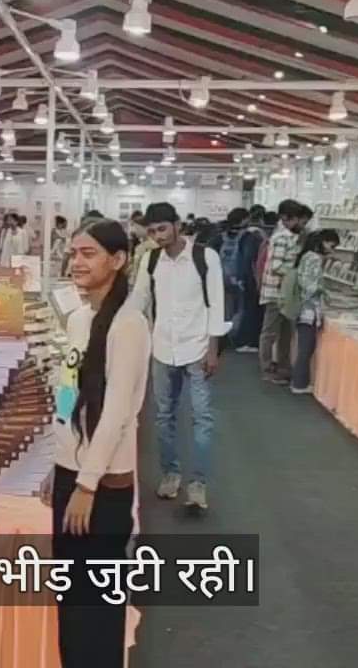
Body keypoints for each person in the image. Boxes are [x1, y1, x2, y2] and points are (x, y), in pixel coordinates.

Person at [42, 219, 148, 668]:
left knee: (97, 604)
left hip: (102, 485)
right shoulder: (79, 320)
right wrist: (59, 462)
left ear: (117, 260)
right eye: (73, 253)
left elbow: (117, 413)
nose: (77, 262)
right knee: (71, 598)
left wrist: (86, 484)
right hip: (72, 475)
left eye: (88, 253)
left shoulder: (129, 325)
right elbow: (68, 397)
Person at [126, 202, 227, 511]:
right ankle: (171, 474)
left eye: (162, 229)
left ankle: (198, 484)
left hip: (197, 348)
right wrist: (117, 325)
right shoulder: (150, 260)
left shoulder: (205, 257)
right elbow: (139, 299)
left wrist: (213, 349)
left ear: (177, 225)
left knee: (202, 418)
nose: (158, 236)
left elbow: (216, 304)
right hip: (162, 348)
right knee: (163, 416)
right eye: (152, 231)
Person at [284, 229, 339, 395]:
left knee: (304, 346)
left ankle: (300, 381)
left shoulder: (306, 256)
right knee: (306, 347)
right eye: (331, 245)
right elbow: (310, 286)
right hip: (308, 309)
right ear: (323, 242)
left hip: (303, 307)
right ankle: (300, 383)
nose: (332, 249)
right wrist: (324, 291)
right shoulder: (314, 258)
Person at [259, 200, 308, 385]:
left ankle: (283, 368)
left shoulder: (292, 237)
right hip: (276, 293)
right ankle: (267, 369)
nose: (300, 224)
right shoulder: (281, 238)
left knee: (286, 334)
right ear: (286, 218)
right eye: (297, 219)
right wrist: (296, 273)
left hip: (287, 294)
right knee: (270, 333)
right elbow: (276, 266)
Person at [233, 205, 269, 353]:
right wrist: (257, 280)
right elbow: (253, 260)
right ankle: (247, 341)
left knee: (246, 310)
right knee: (251, 311)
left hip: (245, 278)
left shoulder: (244, 235)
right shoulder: (256, 236)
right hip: (252, 279)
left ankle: (244, 340)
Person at [218, 208, 250, 351]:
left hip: (222, 278)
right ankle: (235, 337)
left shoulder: (220, 236)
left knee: (225, 309)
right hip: (239, 278)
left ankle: (223, 336)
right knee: (241, 308)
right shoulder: (247, 237)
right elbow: (247, 259)